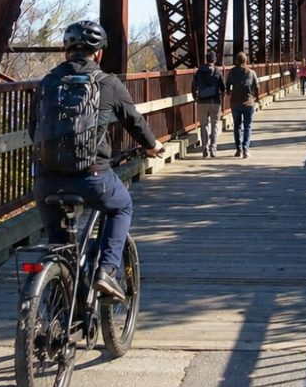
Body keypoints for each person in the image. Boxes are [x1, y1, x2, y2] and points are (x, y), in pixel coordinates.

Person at [32, 19, 164, 300]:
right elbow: (135, 122)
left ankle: (54, 311)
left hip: (46, 180)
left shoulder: (47, 83)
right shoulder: (108, 83)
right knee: (121, 207)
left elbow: (33, 130)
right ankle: (107, 271)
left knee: (58, 247)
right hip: (92, 179)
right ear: (100, 53)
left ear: (66, 51)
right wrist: (152, 146)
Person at [191, 50, 226, 157]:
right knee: (215, 125)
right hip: (215, 102)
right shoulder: (217, 71)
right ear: (214, 60)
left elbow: (193, 87)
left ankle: (205, 147)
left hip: (202, 102)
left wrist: (195, 97)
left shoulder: (199, 71)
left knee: (204, 126)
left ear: (206, 60)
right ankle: (213, 149)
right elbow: (223, 87)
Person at [227, 50, 261, 158]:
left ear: (236, 60)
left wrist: (230, 93)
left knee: (237, 126)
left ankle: (238, 150)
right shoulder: (251, 73)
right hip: (248, 103)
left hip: (235, 103)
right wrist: (256, 98)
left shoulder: (232, 72)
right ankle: (246, 149)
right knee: (247, 126)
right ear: (246, 61)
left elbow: (227, 86)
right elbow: (257, 86)